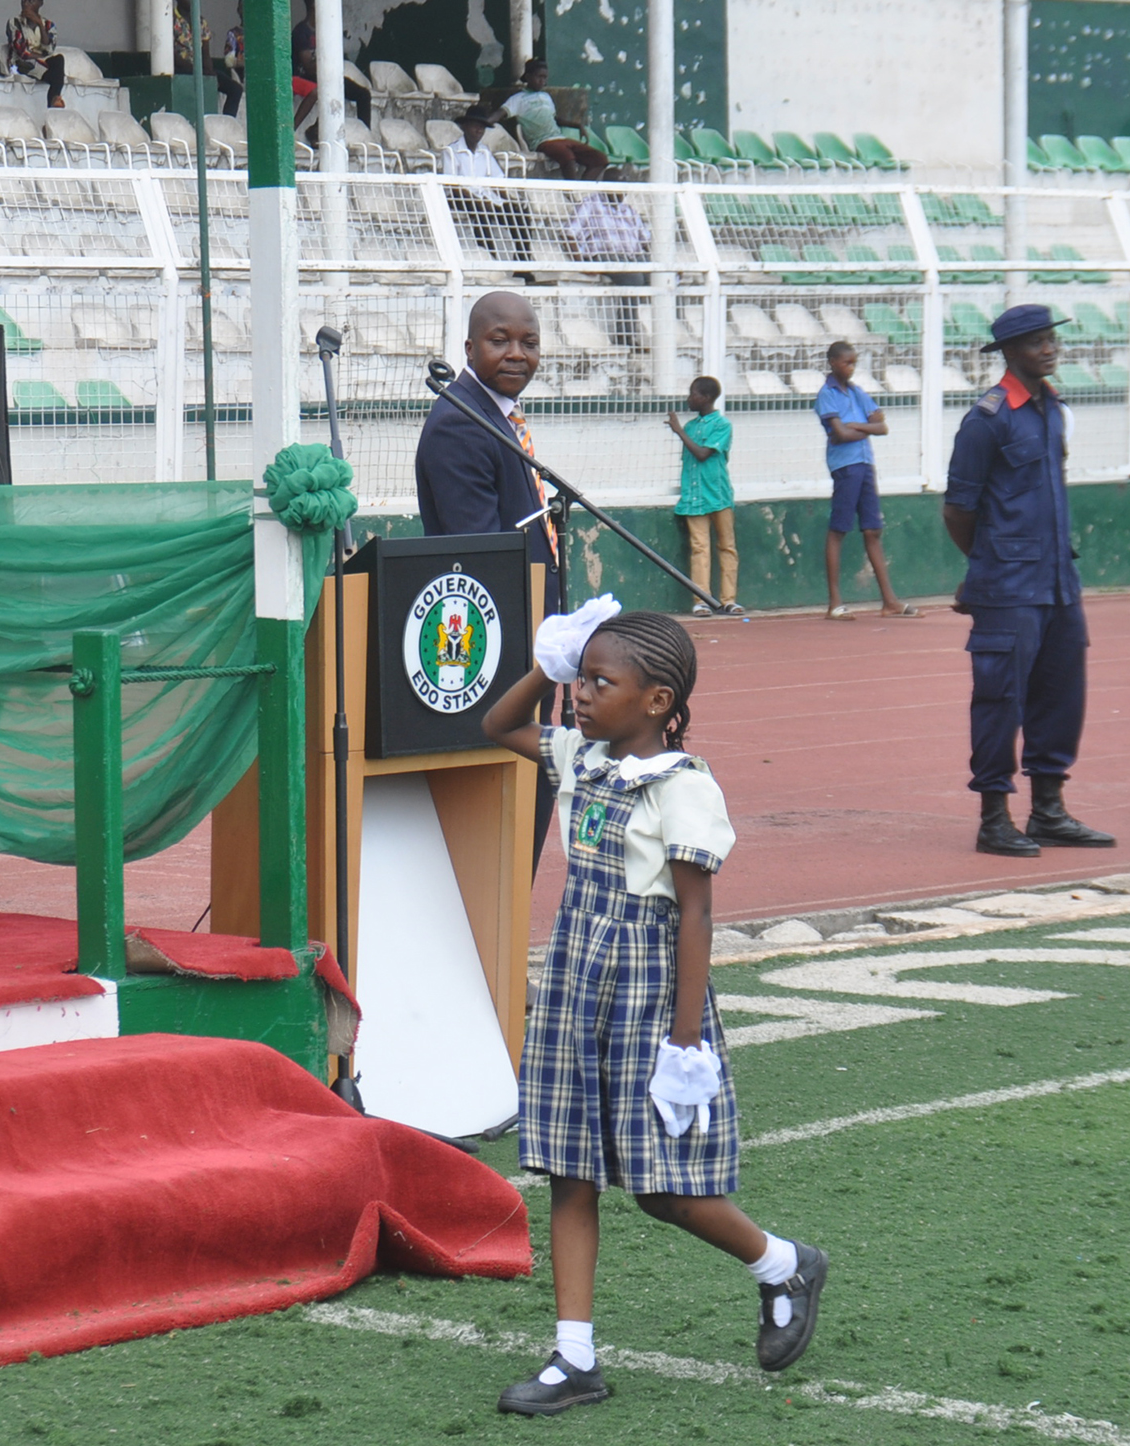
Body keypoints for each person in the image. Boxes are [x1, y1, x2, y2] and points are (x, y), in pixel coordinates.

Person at [482, 605, 826, 1418]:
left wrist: (684, 1042)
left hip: (648, 992)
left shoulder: (684, 787)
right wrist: (550, 663)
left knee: (664, 1189)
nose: (581, 698)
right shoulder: (579, 757)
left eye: (602, 683)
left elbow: (695, 916)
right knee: (570, 1171)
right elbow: (499, 722)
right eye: (582, 680)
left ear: (659, 700)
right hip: (575, 982)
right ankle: (575, 1358)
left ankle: (782, 1264)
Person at [943, 304, 1116, 858]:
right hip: (1009, 587)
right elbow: (957, 510)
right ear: (1010, 353)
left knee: (1062, 696)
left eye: (1051, 339)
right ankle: (995, 818)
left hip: (1060, 583)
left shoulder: (1052, 410)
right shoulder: (987, 420)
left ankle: (1048, 812)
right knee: (999, 700)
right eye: (1037, 342)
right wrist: (989, 564)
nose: (1050, 349)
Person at [416, 290, 560, 872]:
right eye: (500, 341)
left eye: (529, 343)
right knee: (519, 787)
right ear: (470, 347)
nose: (517, 354)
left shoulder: (496, 416)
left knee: (539, 778)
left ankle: (503, 938)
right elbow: (479, 553)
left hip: (533, 629)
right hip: (500, 642)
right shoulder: (461, 425)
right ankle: (495, 941)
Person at [815, 341, 918, 621]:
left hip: (865, 463)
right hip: (845, 466)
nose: (851, 367)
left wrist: (855, 426)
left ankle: (889, 601)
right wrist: (862, 428)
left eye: (854, 362)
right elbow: (840, 435)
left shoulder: (857, 392)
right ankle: (835, 602)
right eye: (847, 362)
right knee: (838, 530)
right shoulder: (827, 395)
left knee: (873, 531)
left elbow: (881, 426)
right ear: (833, 362)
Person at [666, 378, 742, 617]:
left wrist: (678, 431)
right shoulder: (690, 427)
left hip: (718, 494)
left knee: (726, 546)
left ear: (706, 398)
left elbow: (701, 454)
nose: (689, 398)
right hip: (694, 498)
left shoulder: (722, 425)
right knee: (700, 547)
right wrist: (682, 430)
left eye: (693, 394)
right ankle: (702, 599)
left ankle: (728, 599)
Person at [439, 107, 537, 265]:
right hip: (460, 197)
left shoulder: (484, 151)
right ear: (465, 126)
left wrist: (509, 200)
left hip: (486, 197)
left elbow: (497, 180)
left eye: (482, 127)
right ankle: (489, 259)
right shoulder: (451, 151)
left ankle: (522, 260)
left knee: (519, 212)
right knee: (480, 210)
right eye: (475, 126)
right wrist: (477, 200)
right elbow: (452, 185)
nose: (479, 130)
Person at [491, 59, 607, 179]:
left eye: (545, 77)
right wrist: (484, 122)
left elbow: (555, 119)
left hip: (560, 138)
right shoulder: (518, 99)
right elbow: (500, 113)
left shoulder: (546, 97)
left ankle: (582, 192)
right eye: (539, 76)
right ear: (528, 76)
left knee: (600, 159)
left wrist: (578, 126)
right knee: (568, 158)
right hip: (542, 142)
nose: (542, 81)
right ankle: (572, 194)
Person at [565, 188, 650, 351]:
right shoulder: (591, 204)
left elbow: (645, 239)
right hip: (604, 254)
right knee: (634, 279)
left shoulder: (628, 209)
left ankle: (661, 334)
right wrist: (580, 262)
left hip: (632, 255)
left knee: (664, 276)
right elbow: (569, 233)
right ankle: (626, 336)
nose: (622, 194)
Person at [289, 3, 370, 131]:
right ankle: (316, 131)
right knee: (331, 86)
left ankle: (363, 133)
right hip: (305, 76)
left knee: (363, 94)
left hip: (324, 75)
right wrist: (329, 61)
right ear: (313, 7)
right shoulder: (301, 32)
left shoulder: (325, 32)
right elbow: (308, 66)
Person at [175, 0, 242, 120]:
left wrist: (210, 74)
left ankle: (224, 125)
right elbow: (172, 56)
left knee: (236, 89)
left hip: (200, 70)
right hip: (180, 70)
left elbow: (205, 52)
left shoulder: (201, 22)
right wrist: (197, 71)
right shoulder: (170, 20)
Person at [6, 0, 65, 109]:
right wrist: (42, 55)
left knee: (59, 60)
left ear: (40, 3)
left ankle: (54, 100)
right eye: (24, 1)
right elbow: (22, 52)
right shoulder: (14, 22)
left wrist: (40, 25)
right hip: (21, 65)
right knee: (56, 77)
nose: (26, 4)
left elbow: (49, 49)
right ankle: (53, 106)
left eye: (31, 1)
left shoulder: (48, 25)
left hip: (41, 64)